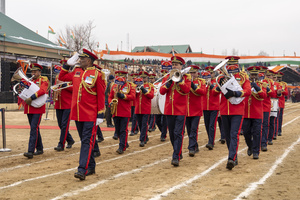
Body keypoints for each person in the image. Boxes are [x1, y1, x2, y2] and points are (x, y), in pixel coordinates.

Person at [59, 49, 106, 180]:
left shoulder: (97, 74)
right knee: (85, 140)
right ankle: (91, 166)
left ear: (89, 60)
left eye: (83, 59)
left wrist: (100, 114)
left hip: (90, 114)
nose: (80, 61)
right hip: (78, 113)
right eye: (80, 59)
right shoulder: (77, 71)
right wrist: (67, 65)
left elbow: (101, 95)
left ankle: (82, 169)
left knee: (86, 141)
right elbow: (61, 77)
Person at [216, 56, 251, 170]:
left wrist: (236, 93)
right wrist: (219, 86)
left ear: (237, 65)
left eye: (233, 64)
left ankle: (231, 158)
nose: (231, 67)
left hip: (237, 110)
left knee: (234, 134)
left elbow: (248, 91)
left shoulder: (242, 77)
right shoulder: (222, 77)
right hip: (225, 110)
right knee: (227, 136)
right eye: (229, 65)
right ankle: (234, 157)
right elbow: (214, 92)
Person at [160, 56, 191, 166]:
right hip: (169, 109)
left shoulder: (186, 77)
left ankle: (175, 156)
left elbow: (187, 90)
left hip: (180, 110)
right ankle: (178, 152)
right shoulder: (168, 77)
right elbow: (162, 91)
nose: (174, 66)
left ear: (181, 66)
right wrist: (168, 84)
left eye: (176, 65)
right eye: (173, 64)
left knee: (178, 133)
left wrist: (180, 81)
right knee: (172, 134)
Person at [23, 63, 49, 159]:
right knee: (35, 128)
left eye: (35, 71)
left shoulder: (43, 79)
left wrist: (32, 97)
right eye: (32, 72)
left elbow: (42, 90)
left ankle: (30, 151)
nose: (33, 73)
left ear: (39, 72)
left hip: (37, 108)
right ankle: (39, 147)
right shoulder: (28, 81)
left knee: (34, 128)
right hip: (29, 107)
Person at [242, 66, 266, 159]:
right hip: (246, 112)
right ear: (249, 75)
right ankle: (250, 146)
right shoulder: (245, 84)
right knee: (246, 132)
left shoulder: (262, 84)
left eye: (255, 75)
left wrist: (256, 86)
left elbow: (263, 95)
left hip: (257, 113)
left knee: (256, 133)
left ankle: (256, 151)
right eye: (252, 75)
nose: (254, 77)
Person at [109, 71, 135, 154]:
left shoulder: (130, 86)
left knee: (123, 130)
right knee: (118, 129)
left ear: (126, 78)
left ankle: (121, 147)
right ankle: (124, 143)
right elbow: (110, 97)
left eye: (122, 77)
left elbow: (133, 97)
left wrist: (123, 96)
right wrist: (111, 102)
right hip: (115, 111)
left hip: (124, 111)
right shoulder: (114, 86)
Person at [53, 60, 75, 152]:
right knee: (60, 125)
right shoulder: (58, 77)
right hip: (59, 103)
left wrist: (65, 85)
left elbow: (75, 88)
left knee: (64, 125)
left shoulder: (72, 76)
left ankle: (61, 144)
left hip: (67, 104)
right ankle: (70, 140)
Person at [186, 65, 206, 156]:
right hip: (187, 110)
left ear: (197, 73)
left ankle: (191, 148)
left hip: (196, 109)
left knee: (194, 129)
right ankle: (195, 145)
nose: (192, 74)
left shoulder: (201, 81)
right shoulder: (185, 81)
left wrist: (193, 86)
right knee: (189, 130)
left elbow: (203, 92)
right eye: (191, 73)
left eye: (194, 72)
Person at [202, 66, 221, 149]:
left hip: (214, 106)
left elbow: (217, 91)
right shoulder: (202, 82)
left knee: (211, 125)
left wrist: (211, 85)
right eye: (208, 73)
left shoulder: (216, 81)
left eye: (211, 73)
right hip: (205, 106)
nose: (210, 75)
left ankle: (211, 142)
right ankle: (210, 139)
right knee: (206, 125)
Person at [135, 71, 154, 147]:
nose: (143, 79)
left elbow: (151, 96)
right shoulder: (136, 85)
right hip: (138, 108)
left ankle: (142, 140)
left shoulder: (150, 86)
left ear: (147, 78)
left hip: (146, 108)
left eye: (144, 77)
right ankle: (145, 137)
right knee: (140, 124)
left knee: (144, 124)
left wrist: (144, 90)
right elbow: (134, 96)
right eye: (141, 77)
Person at [260, 68, 275, 151]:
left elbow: (273, 93)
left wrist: (267, 88)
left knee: (265, 125)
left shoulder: (271, 83)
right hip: (257, 106)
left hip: (265, 106)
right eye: (267, 75)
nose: (268, 77)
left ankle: (263, 143)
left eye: (270, 75)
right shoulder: (260, 81)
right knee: (257, 125)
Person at [276, 72, 288, 136]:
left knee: (279, 117)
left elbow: (286, 93)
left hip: (281, 103)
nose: (278, 78)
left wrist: (281, 91)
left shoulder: (284, 84)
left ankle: (279, 130)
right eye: (277, 77)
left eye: (279, 77)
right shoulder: (273, 83)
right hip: (274, 102)